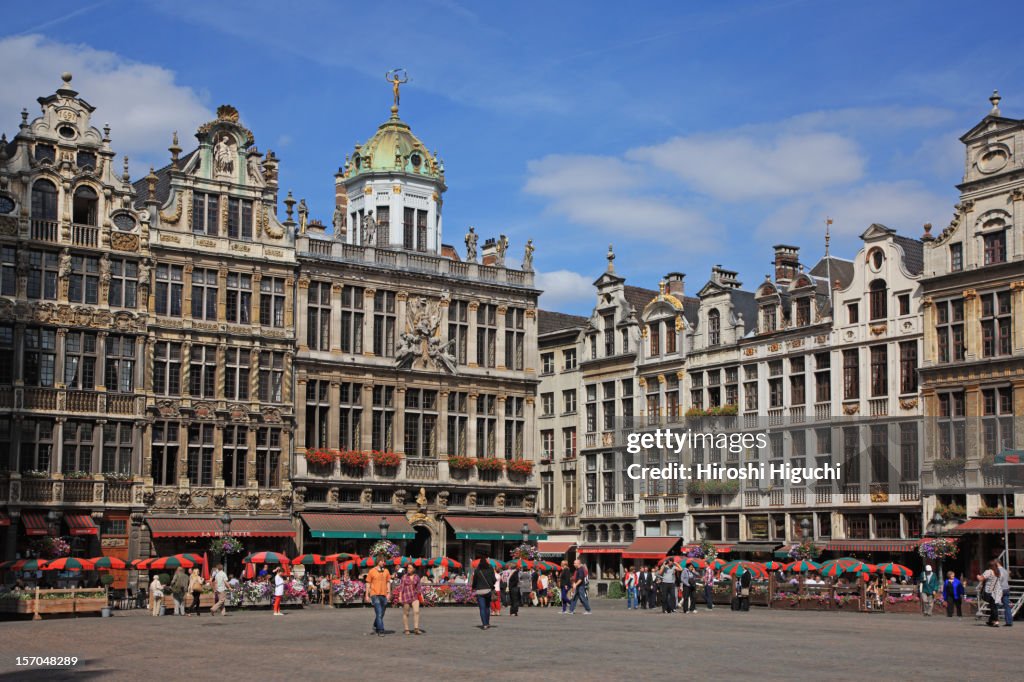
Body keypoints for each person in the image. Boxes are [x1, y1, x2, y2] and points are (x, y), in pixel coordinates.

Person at [365, 559, 391, 636]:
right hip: (374, 594)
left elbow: (388, 582)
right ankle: (380, 630)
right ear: (378, 562)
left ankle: (375, 625)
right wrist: (367, 595)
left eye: (383, 561)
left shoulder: (386, 571)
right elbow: (368, 583)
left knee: (381, 613)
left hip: (384, 594)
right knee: (379, 612)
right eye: (382, 561)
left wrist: (389, 593)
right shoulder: (371, 571)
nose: (383, 562)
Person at [472, 557, 497, 630]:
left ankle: (484, 624)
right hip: (488, 590)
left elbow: (475, 581)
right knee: (487, 607)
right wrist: (491, 584)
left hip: (479, 591)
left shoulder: (477, 570)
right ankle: (487, 622)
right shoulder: (490, 569)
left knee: (482, 608)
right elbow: (494, 580)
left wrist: (473, 588)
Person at [398, 564, 424, 635]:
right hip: (406, 596)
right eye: (408, 568)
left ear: (414, 569)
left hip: (415, 596)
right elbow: (401, 588)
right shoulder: (404, 577)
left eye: (410, 568)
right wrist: (400, 597)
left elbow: (419, 588)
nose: (408, 569)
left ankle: (416, 628)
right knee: (406, 613)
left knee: (416, 611)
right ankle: (406, 629)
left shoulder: (417, 577)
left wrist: (422, 596)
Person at [978, 560, 1003, 627]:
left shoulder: (989, 571)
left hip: (990, 592)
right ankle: (991, 621)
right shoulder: (997, 572)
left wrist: (978, 576)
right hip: (996, 592)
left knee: (993, 607)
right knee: (993, 606)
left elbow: (981, 578)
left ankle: (996, 621)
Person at [996, 560, 1013, 627]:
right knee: (1007, 606)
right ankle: (1009, 622)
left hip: (1000, 589)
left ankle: (995, 621)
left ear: (997, 563)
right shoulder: (1005, 570)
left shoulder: (999, 570)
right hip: (1006, 588)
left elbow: (1000, 579)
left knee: (995, 605)